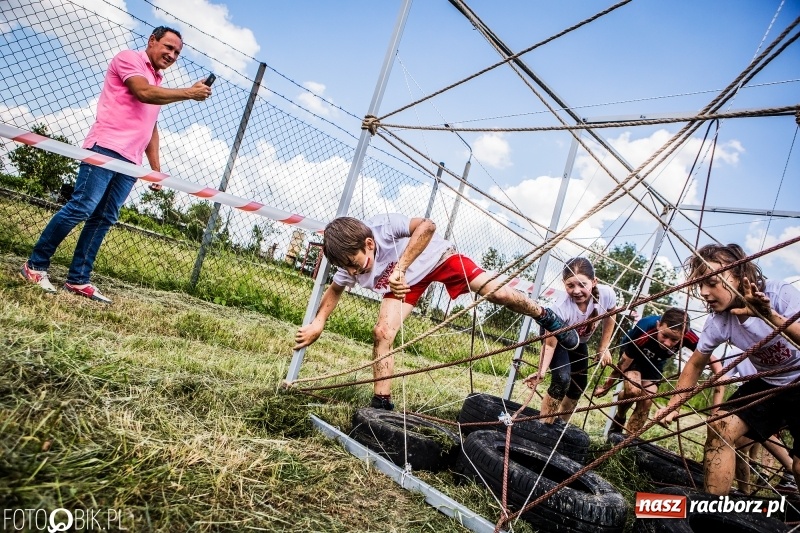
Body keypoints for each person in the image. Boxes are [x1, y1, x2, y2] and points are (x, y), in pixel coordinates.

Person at [293, 214, 579, 410]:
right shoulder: (348, 267)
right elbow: (334, 290)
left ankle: (543, 314)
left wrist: (401, 268)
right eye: (348, 268)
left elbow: (428, 226)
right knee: (382, 332)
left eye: (356, 263)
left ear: (368, 244)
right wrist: (318, 323)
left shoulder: (383, 227)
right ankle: (381, 403)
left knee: (499, 292)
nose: (354, 272)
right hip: (404, 285)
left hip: (436, 260)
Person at [19, 26, 212, 304]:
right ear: (152, 41)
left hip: (131, 162)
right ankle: (35, 265)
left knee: (104, 217)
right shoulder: (129, 59)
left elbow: (151, 128)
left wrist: (154, 169)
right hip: (105, 148)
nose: (172, 55)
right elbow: (142, 93)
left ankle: (78, 279)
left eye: (177, 52)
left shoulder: (158, 81)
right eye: (168, 47)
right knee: (82, 207)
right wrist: (189, 93)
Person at [656, 243, 800, 496]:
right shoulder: (718, 321)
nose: (703, 292)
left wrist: (769, 316)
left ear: (740, 275)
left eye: (711, 282)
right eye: (700, 285)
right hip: (769, 382)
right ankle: (715, 515)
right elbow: (696, 363)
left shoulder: (780, 294)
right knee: (720, 427)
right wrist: (675, 403)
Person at [524, 257, 617, 423]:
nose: (576, 290)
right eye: (570, 285)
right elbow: (550, 346)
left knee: (578, 385)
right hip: (556, 339)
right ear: (563, 283)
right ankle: (544, 425)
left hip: (579, 341)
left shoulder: (606, 294)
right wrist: (542, 371)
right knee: (562, 378)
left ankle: (560, 424)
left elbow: (611, 315)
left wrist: (603, 346)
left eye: (582, 284)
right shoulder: (559, 307)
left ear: (594, 281)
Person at [593, 307, 698, 435]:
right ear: (659, 325)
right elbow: (624, 363)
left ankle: (627, 441)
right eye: (664, 336)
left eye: (674, 340)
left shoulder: (689, 336)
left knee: (646, 401)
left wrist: (719, 374)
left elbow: (707, 354)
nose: (668, 343)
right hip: (633, 357)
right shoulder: (645, 328)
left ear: (683, 335)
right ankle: (620, 417)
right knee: (633, 390)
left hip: (655, 362)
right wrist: (606, 386)